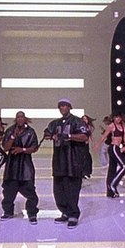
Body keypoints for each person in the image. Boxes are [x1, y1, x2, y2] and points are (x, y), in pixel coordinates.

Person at [43, 98, 89, 229]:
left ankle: (73, 214)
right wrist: (51, 135)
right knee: (58, 190)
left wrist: (69, 136)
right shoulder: (55, 123)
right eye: (60, 106)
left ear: (69, 107)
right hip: (59, 161)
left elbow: (84, 136)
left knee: (72, 189)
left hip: (73, 161)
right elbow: (47, 133)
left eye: (64, 105)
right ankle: (65, 212)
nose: (62, 108)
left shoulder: (77, 121)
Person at [0, 111, 40, 224]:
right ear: (16, 119)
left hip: (26, 166)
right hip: (12, 167)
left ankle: (32, 213)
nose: (20, 119)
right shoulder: (10, 131)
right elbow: (5, 147)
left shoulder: (30, 132)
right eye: (18, 117)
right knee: (8, 192)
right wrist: (13, 136)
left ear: (25, 118)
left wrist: (22, 150)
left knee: (30, 192)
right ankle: (8, 212)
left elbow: (34, 148)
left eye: (22, 117)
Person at [93, 112, 125, 198]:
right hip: (113, 148)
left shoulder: (122, 125)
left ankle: (110, 192)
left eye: (119, 117)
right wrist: (97, 145)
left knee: (112, 170)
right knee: (124, 166)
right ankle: (113, 184)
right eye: (116, 117)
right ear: (113, 118)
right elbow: (104, 136)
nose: (118, 119)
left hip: (117, 148)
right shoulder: (112, 126)